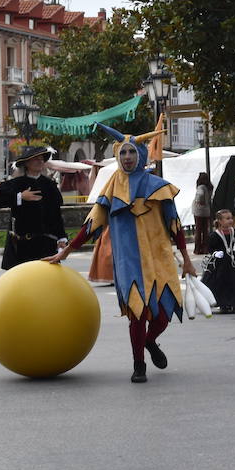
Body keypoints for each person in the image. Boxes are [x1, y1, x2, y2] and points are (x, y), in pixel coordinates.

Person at [49, 126, 196, 383]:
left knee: (161, 315)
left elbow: (175, 226)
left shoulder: (159, 187)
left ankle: (151, 342)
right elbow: (91, 225)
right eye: (123, 152)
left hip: (159, 258)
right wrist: (67, 252)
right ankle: (139, 365)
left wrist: (186, 260)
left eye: (132, 152)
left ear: (140, 154)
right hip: (129, 262)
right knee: (137, 314)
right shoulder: (110, 189)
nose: (127, 157)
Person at [0, 146, 67, 269]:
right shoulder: (16, 184)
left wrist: (62, 237)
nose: (40, 162)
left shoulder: (49, 185)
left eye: (42, 159)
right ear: (27, 163)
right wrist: (20, 197)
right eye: (36, 159)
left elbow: (56, 214)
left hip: (46, 244)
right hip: (23, 244)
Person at [202, 209, 235, 313]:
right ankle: (223, 304)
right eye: (227, 218)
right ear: (220, 221)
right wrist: (216, 253)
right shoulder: (214, 235)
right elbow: (210, 249)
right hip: (220, 264)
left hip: (233, 262)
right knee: (221, 283)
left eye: (231, 218)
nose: (230, 220)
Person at [192, 172, 214, 255]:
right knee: (205, 230)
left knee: (198, 230)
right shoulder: (210, 187)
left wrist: (199, 201)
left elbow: (200, 195)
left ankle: (197, 249)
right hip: (206, 210)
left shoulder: (201, 187)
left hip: (198, 210)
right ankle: (205, 248)